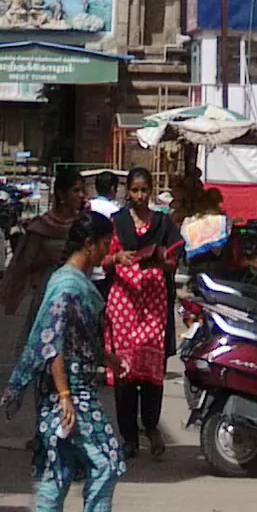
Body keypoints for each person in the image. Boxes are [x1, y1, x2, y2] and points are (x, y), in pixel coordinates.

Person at [14, 216, 126, 512]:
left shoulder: (69, 282)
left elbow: (72, 338)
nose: (109, 250)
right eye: (106, 242)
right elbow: (53, 343)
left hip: (63, 386)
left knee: (58, 467)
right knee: (107, 461)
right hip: (70, 389)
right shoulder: (66, 287)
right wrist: (65, 395)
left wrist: (103, 357)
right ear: (90, 243)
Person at [101, 166, 180, 460]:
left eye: (144, 190)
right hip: (123, 303)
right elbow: (103, 259)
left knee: (150, 369)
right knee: (124, 371)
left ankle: (151, 426)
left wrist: (160, 260)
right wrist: (117, 257)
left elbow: (173, 260)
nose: (139, 196)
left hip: (153, 303)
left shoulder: (162, 222)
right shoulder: (116, 222)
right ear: (127, 192)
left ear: (150, 190)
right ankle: (129, 437)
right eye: (134, 190)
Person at [0, 162, 85, 332]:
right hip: (48, 294)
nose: (81, 195)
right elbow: (26, 263)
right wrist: (47, 259)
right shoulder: (41, 227)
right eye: (75, 191)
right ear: (61, 194)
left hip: (79, 294)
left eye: (82, 191)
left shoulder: (84, 225)